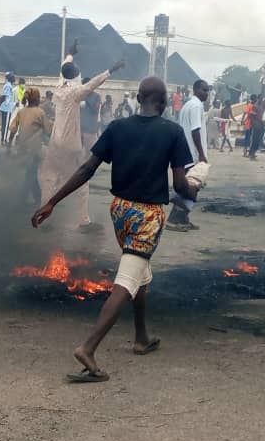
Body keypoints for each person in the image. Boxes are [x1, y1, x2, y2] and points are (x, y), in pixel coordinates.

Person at [29, 76, 196, 383]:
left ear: (138, 99)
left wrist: (52, 201)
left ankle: (141, 337)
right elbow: (180, 184)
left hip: (120, 211)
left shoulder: (118, 128)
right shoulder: (173, 133)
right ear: (163, 101)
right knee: (128, 278)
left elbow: (86, 168)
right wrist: (194, 191)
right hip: (148, 215)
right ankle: (88, 348)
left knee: (140, 272)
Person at [37, 40, 125, 232]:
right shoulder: (75, 93)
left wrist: (70, 53)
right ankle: (83, 219)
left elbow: (64, 67)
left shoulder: (59, 86)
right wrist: (112, 69)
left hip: (55, 141)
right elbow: (93, 84)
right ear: (76, 76)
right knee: (81, 180)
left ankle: (44, 212)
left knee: (49, 177)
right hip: (70, 144)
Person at [167, 79, 210, 233]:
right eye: (204, 90)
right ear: (196, 90)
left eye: (208, 90)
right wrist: (202, 155)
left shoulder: (188, 105)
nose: (207, 93)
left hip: (185, 151)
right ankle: (173, 220)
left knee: (189, 186)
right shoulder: (197, 105)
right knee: (192, 187)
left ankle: (183, 218)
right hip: (192, 153)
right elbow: (195, 131)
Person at [7, 87, 52, 205]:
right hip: (34, 149)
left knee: (30, 172)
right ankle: (33, 198)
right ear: (37, 99)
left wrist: (8, 145)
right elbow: (48, 130)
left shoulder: (21, 112)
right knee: (31, 173)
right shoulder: (40, 112)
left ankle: (31, 197)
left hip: (22, 147)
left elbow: (12, 129)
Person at [80, 82, 100, 151]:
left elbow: (95, 110)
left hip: (90, 131)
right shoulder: (80, 95)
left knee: (89, 152)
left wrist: (87, 101)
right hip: (80, 130)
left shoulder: (96, 96)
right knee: (78, 153)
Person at [0, 73, 16, 145]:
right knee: (5, 126)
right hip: (7, 108)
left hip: (5, 108)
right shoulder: (9, 86)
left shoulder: (8, 85)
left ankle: (3, 139)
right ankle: (4, 140)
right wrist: (6, 104)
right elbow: (5, 96)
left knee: (4, 125)